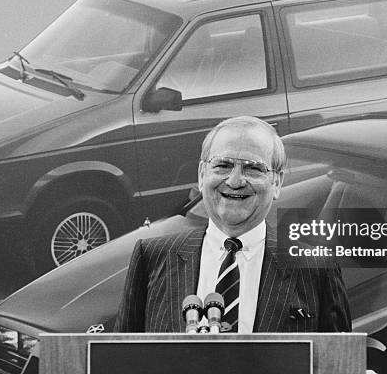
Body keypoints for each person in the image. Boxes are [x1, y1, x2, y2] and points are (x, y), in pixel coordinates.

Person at [115, 116, 351, 333]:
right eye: (223, 165)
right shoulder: (152, 258)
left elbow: (338, 361)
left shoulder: (317, 269)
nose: (236, 181)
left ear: (277, 182)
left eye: (253, 168)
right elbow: (120, 361)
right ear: (201, 174)